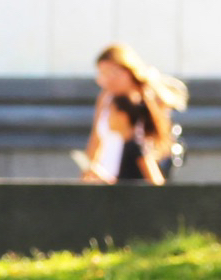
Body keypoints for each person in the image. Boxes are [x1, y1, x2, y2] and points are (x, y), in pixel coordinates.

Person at [77, 44, 184, 185]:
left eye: (108, 73)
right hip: (105, 180)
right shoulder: (105, 98)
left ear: (125, 72)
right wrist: (86, 175)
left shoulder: (142, 102)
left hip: (126, 182)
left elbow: (146, 156)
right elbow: (95, 141)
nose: (102, 80)